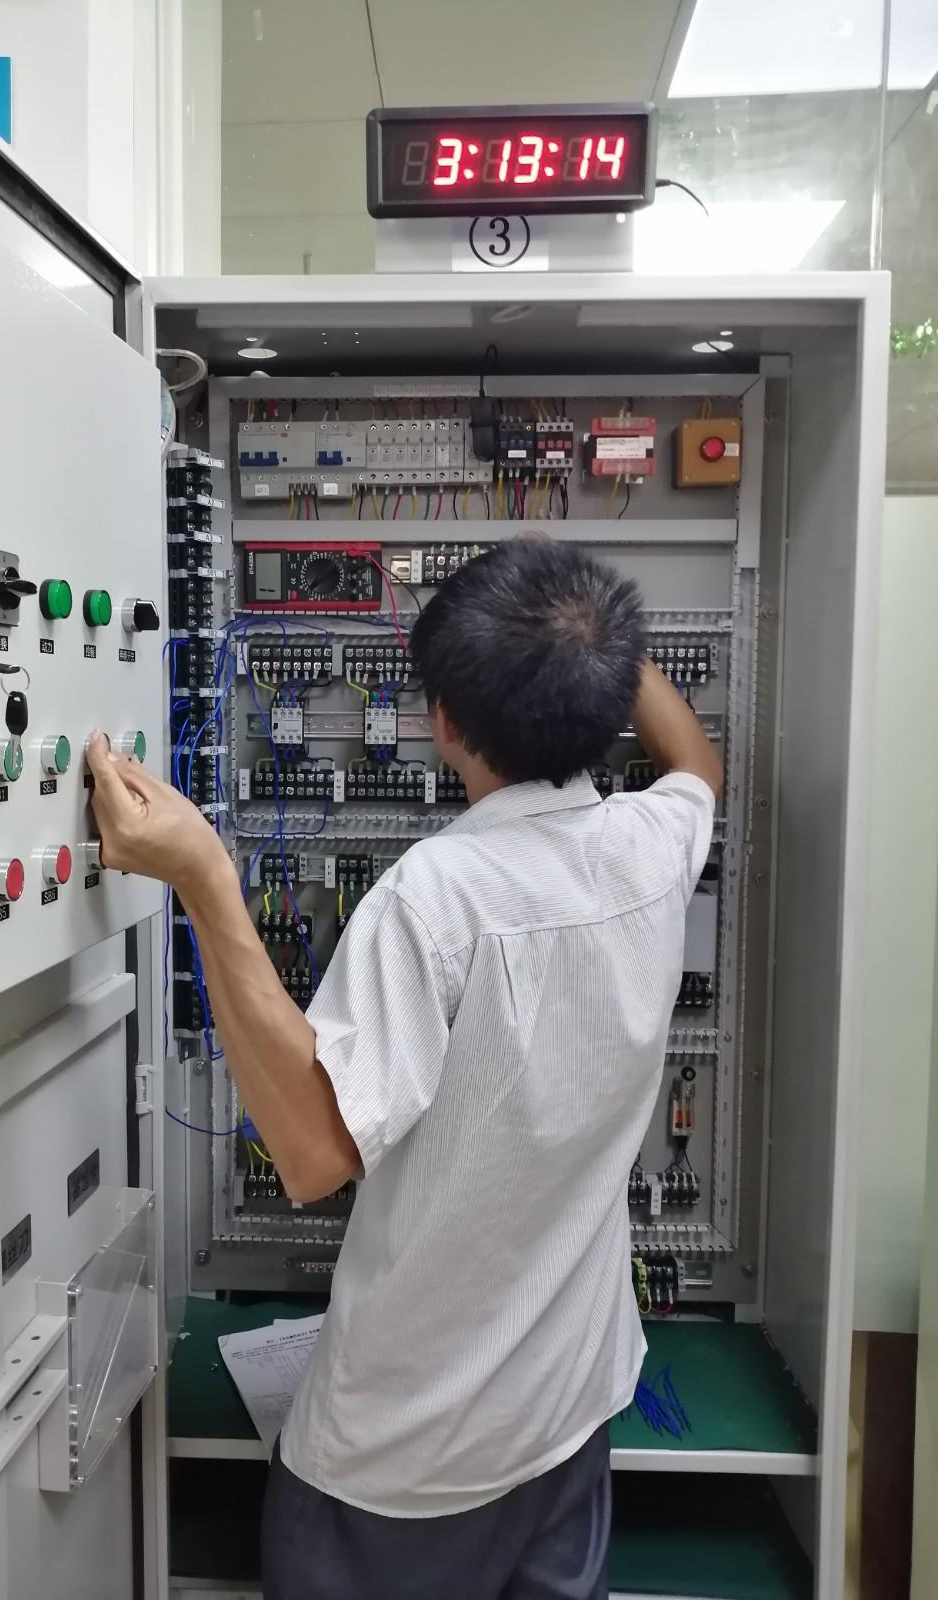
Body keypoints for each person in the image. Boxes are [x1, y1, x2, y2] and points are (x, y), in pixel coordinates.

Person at [86, 537, 722, 1600]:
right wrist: (589, 637)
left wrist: (203, 876)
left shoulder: (436, 898)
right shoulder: (655, 845)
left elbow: (313, 1153)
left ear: (442, 720)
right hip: (568, 1414)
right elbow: (698, 761)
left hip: (406, 1464)